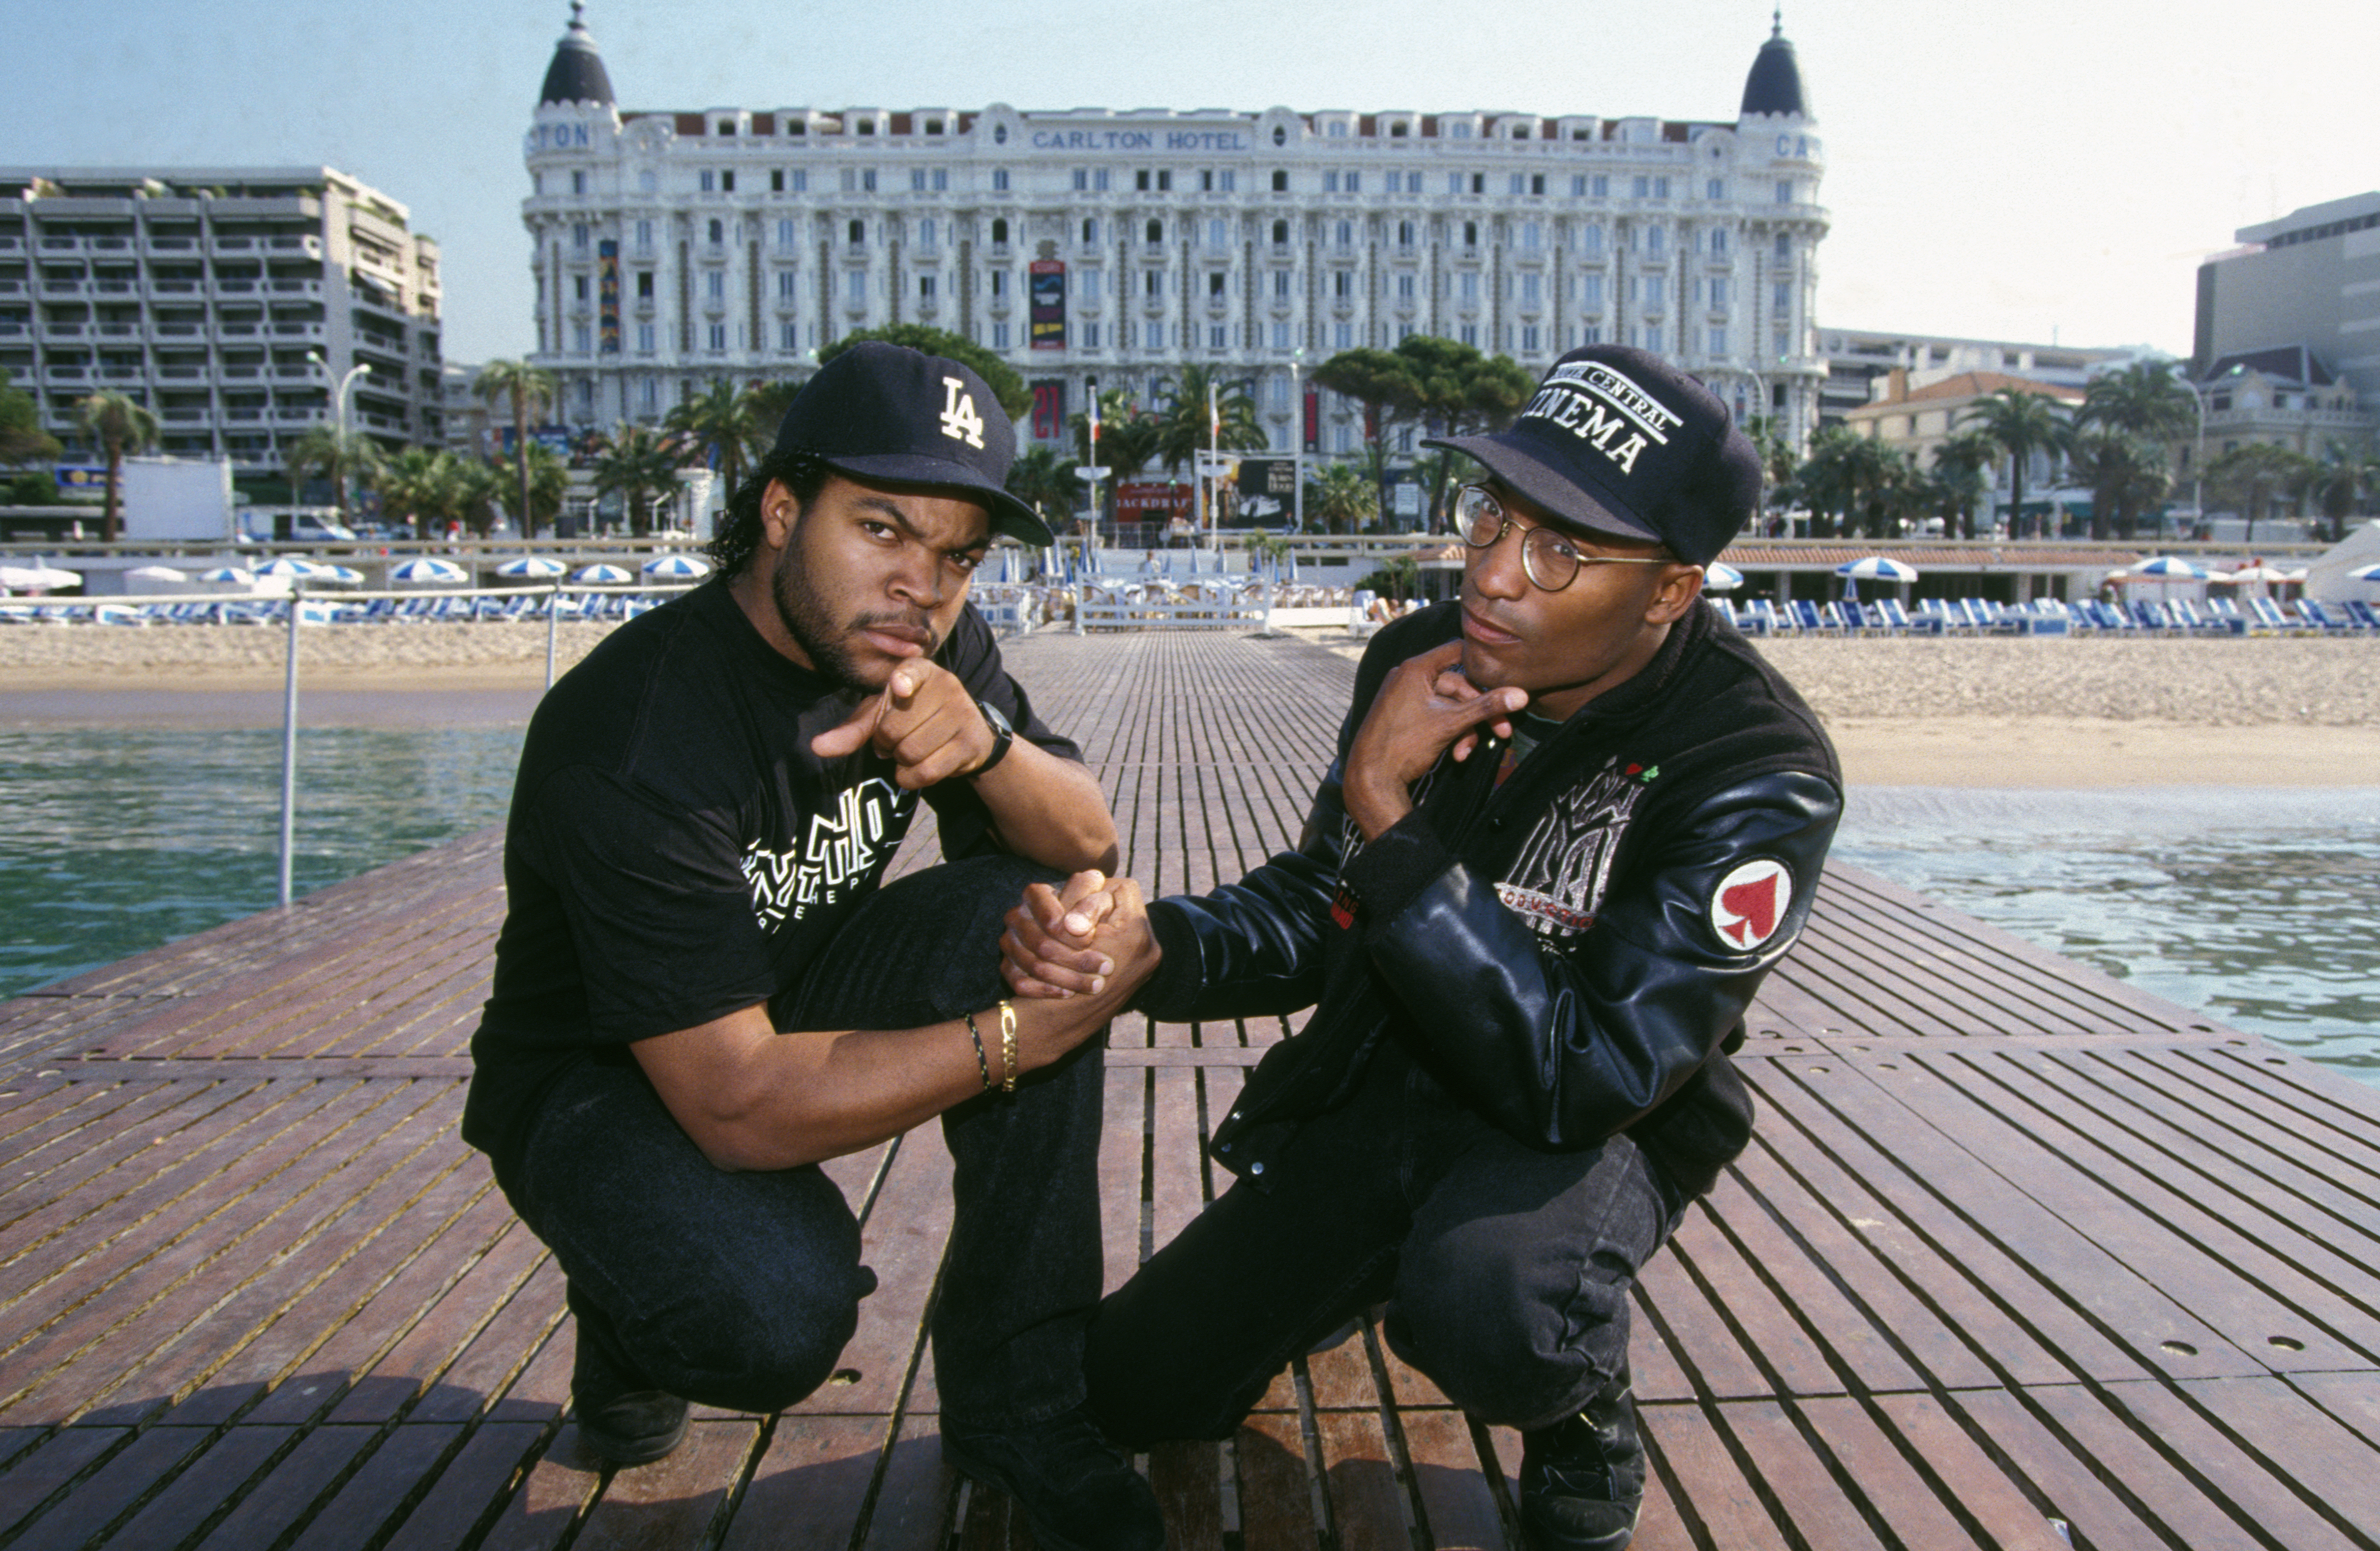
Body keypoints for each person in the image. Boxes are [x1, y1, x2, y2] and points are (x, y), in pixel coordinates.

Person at [1003, 345, 1842, 1550]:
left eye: (1562, 550)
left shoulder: (1752, 770)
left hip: (1594, 1129)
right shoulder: (1422, 657)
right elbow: (1322, 897)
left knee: (1489, 1305)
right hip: (1386, 1085)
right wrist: (1157, 947)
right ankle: (1382, 1258)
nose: (1493, 575)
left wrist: (1391, 815)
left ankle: (1577, 1405)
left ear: (1669, 592)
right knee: (1136, 1389)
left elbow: (1588, 1074)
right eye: (1491, 517)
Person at [464, 342, 1164, 1549]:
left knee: (1047, 910)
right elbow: (736, 1104)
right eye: (882, 529)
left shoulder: (922, 645)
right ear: (781, 512)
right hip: (596, 1080)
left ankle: (1021, 1405)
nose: (921, 586)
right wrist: (1013, 1038)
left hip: (780, 993)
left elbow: (1088, 839)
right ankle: (630, 1312)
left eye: (956, 556)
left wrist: (987, 748)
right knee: (774, 1310)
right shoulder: (633, 738)